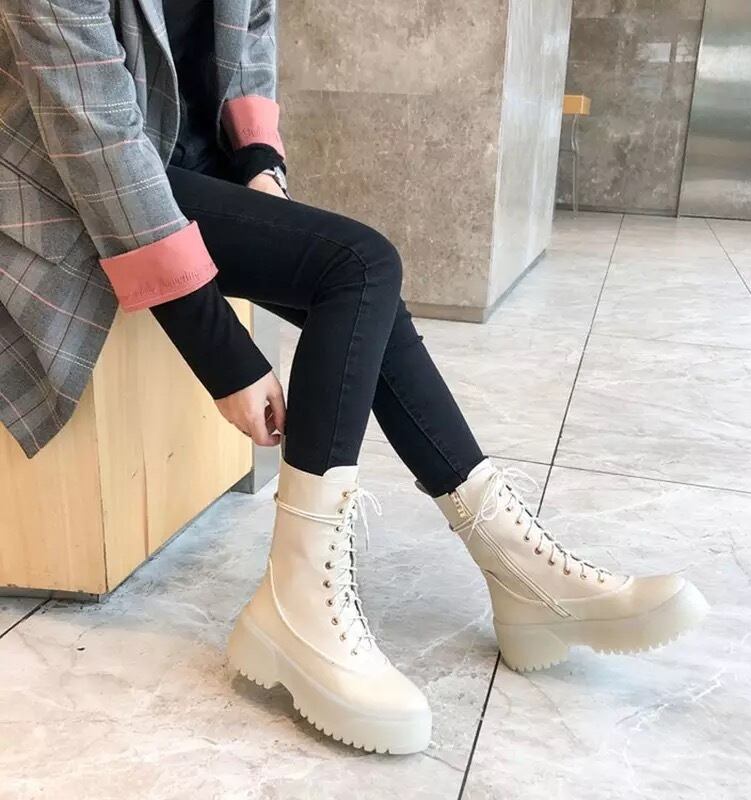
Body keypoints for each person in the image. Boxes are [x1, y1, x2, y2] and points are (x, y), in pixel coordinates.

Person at [0, 0, 708, 755]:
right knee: (360, 266)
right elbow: (91, 131)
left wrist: (259, 164)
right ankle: (317, 597)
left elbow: (251, 29)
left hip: (185, 160)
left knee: (364, 284)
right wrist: (220, 351)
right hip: (64, 182)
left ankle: (511, 569)